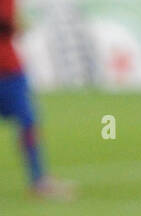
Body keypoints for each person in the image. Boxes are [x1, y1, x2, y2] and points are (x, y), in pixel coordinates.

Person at [0, 0, 74, 198]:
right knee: (28, 123)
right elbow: (7, 24)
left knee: (28, 123)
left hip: (9, 69)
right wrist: (18, 25)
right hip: (7, 70)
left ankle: (39, 179)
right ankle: (39, 180)